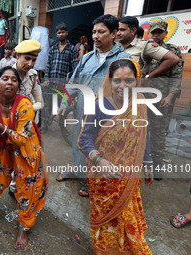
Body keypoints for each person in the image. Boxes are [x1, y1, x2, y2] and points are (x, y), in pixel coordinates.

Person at [79, 58, 154, 254]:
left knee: (128, 218)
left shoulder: (140, 105)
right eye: (117, 80)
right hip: (102, 178)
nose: (122, 86)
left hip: (129, 176)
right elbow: (85, 139)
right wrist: (99, 161)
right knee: (105, 221)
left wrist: (147, 162)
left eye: (129, 81)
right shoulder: (99, 105)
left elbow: (143, 134)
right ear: (109, 81)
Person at [56, 14, 131, 197]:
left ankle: (93, 181)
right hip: (83, 111)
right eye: (94, 32)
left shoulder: (124, 59)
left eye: (101, 32)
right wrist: (65, 103)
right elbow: (74, 82)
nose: (96, 36)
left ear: (114, 33)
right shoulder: (87, 57)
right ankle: (78, 171)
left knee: (101, 147)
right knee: (79, 142)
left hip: (108, 115)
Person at [0, 66, 48, 250]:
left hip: (25, 151)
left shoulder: (25, 105)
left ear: (18, 85)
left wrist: (0, 126)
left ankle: (24, 229)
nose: (9, 82)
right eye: (5, 79)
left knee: (27, 191)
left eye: (14, 80)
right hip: (4, 149)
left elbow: (21, 139)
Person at [0, 40, 43, 209]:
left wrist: (25, 111)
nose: (30, 64)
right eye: (27, 58)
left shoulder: (33, 75)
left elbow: (40, 101)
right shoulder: (5, 72)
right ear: (17, 55)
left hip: (21, 127)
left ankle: (13, 187)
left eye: (34, 60)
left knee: (20, 158)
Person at [147, 21, 183, 180]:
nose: (155, 34)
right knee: (138, 130)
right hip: (141, 98)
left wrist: (170, 96)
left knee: (158, 133)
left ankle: (157, 166)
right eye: (153, 31)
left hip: (161, 100)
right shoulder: (145, 48)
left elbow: (176, 77)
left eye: (159, 32)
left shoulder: (172, 51)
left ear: (165, 33)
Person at [44, 22, 78, 87]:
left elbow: (75, 66)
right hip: (52, 83)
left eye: (63, 32)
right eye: (59, 33)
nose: (61, 34)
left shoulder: (72, 48)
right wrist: (46, 79)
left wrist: (74, 82)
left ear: (66, 33)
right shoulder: (53, 48)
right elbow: (48, 65)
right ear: (57, 34)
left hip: (64, 84)